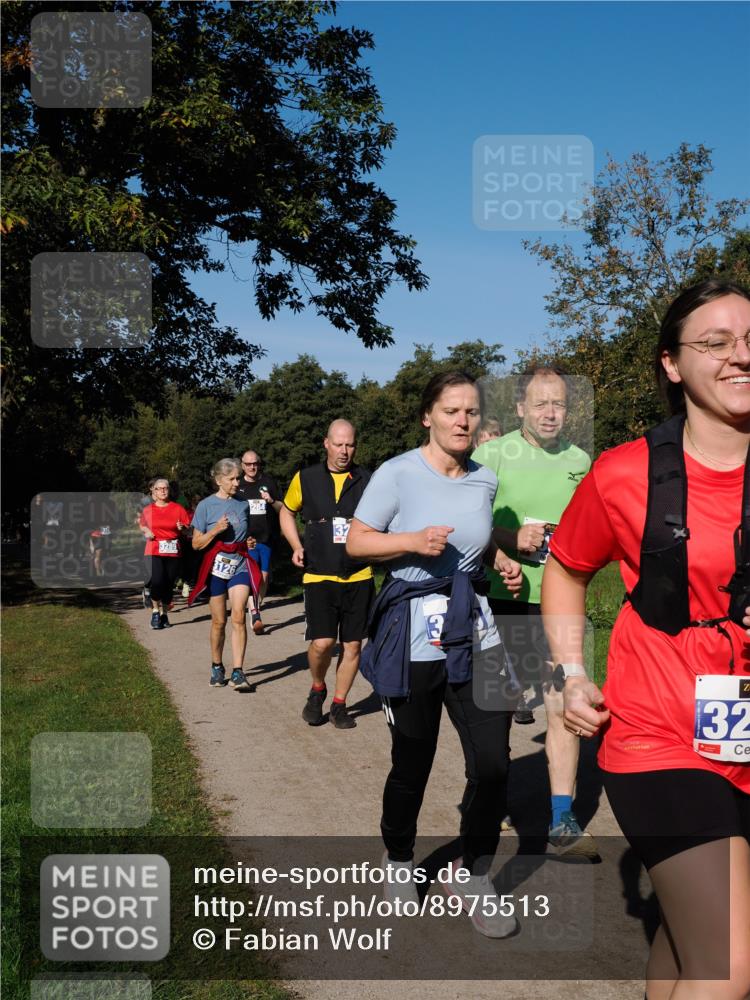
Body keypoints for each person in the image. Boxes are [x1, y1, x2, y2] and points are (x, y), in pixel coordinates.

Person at [542, 280, 750, 999]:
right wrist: (573, 674)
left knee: (691, 945)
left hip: (746, 740)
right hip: (657, 732)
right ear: (671, 363)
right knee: (729, 969)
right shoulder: (624, 473)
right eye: (716, 343)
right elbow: (566, 572)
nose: (740, 356)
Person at [346, 371, 524, 938]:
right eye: (451, 411)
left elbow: (479, 538)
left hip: (475, 628)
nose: (463, 421)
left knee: (494, 764)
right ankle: (398, 859)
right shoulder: (397, 474)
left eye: (471, 412)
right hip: (412, 632)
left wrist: (500, 561)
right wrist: (407, 540)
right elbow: (356, 541)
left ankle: (472, 872)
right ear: (428, 416)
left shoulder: (485, 479)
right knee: (413, 759)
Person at [473, 365, 593, 854]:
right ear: (520, 407)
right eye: (540, 403)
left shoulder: (581, 460)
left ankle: (562, 821)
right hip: (501, 600)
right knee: (497, 711)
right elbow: (467, 524)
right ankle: (491, 806)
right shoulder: (491, 454)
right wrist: (507, 541)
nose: (550, 413)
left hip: (560, 604)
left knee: (563, 705)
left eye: (559, 404)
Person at [279, 419, 373, 730]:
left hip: (359, 575)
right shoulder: (306, 478)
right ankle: (318, 688)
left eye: (350, 444)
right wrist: (295, 544)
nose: (345, 451)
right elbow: (286, 511)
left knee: (353, 646)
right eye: (339, 444)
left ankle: (339, 705)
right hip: (319, 575)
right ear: (326, 443)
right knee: (322, 644)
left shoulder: (367, 480)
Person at [189, 459, 261, 692]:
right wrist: (216, 530)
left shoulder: (243, 504)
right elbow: (196, 544)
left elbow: (245, 533)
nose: (237, 482)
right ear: (219, 480)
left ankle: (238, 672)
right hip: (217, 568)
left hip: (240, 564)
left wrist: (248, 541)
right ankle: (217, 666)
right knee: (219, 621)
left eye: (238, 478)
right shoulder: (205, 506)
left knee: (238, 616)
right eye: (232, 479)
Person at [235, 450, 282, 634]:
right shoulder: (238, 486)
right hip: (248, 539)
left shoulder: (268, 482)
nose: (252, 467)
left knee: (263, 578)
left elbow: (282, 508)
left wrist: (270, 500)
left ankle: (255, 604)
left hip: (267, 537)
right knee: (254, 576)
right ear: (242, 465)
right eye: (248, 464)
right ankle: (255, 613)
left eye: (255, 463)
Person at [139, 477, 191, 629]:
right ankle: (155, 611)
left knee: (168, 584)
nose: (162, 491)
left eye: (165, 488)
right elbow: (142, 524)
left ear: (169, 490)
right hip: (155, 549)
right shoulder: (148, 510)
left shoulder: (178, 509)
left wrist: (182, 528)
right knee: (157, 581)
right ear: (153, 491)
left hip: (173, 550)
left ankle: (164, 614)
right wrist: (147, 531)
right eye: (159, 488)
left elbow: (188, 529)